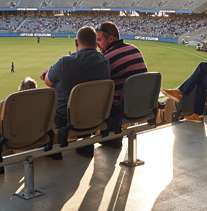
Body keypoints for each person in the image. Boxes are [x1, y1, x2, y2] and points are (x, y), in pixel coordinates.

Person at [41, 26, 110, 158]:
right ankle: (85, 144)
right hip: (94, 115)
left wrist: (50, 73)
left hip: (64, 118)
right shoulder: (104, 62)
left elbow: (48, 82)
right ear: (96, 43)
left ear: (76, 43)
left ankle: (54, 150)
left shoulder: (65, 63)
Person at [95, 21, 147, 145]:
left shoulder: (106, 59)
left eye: (99, 40)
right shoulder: (134, 49)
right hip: (143, 104)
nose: (97, 45)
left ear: (111, 39)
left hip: (119, 111)